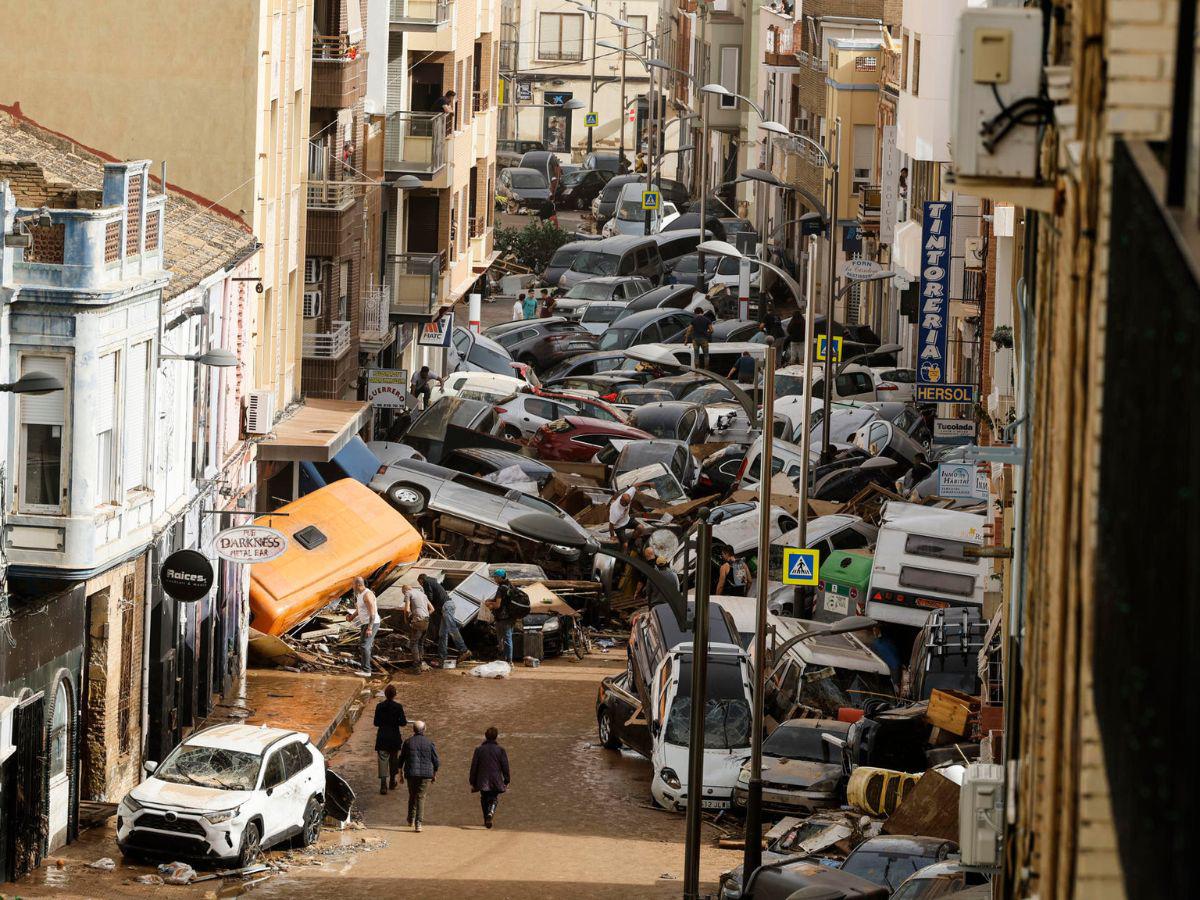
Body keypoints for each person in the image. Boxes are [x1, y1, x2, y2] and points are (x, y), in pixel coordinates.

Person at [420, 573, 472, 666]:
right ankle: (442, 657)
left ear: (421, 580)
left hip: (446, 607)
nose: (420, 585)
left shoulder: (426, 582)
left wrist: (424, 605)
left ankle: (464, 650)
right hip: (448, 605)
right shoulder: (434, 582)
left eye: (420, 583)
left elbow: (429, 597)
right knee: (442, 634)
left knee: (452, 628)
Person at [399, 721, 439, 832]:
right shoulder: (429, 743)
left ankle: (410, 819)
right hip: (426, 775)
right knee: (421, 797)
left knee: (412, 795)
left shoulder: (408, 742)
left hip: (411, 774)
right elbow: (436, 761)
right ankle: (418, 823)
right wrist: (434, 774)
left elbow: (401, 759)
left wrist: (400, 774)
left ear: (413, 730)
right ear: (424, 729)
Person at [469, 726, 511, 828]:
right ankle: (490, 813)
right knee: (494, 798)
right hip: (496, 779)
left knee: (484, 798)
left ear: (485, 736)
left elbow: (474, 766)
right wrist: (507, 779)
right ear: (496, 737)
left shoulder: (479, 750)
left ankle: (485, 818)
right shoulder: (501, 750)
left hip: (482, 779)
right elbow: (505, 766)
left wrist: (472, 781)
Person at [373, 684, 408, 794]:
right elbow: (403, 723)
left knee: (383, 760)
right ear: (395, 695)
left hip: (382, 737)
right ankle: (392, 782)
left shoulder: (379, 706)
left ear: (385, 694)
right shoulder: (398, 707)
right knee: (394, 760)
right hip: (394, 737)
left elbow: (376, 723)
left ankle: (383, 785)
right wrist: (395, 721)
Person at [487, 569, 527, 664]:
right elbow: (506, 600)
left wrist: (489, 604)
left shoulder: (501, 588)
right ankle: (509, 661)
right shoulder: (510, 586)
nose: (494, 579)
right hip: (512, 617)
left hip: (503, 618)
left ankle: (506, 660)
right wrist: (492, 600)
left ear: (500, 578)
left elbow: (497, 605)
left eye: (495, 577)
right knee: (508, 639)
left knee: (502, 639)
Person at [349, 576, 380, 676]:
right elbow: (359, 610)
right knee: (364, 645)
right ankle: (365, 668)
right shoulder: (360, 595)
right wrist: (351, 617)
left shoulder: (367, 594)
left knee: (364, 646)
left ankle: (366, 671)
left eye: (353, 584)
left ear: (358, 584)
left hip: (371, 623)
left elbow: (373, 613)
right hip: (365, 623)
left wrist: (370, 628)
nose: (352, 586)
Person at [402, 583, 433, 669]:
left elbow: (407, 610)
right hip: (426, 621)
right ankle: (421, 661)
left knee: (413, 643)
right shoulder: (422, 594)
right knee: (420, 643)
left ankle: (417, 665)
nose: (404, 595)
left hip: (418, 622)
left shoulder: (408, 593)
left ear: (404, 591)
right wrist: (424, 616)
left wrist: (408, 619)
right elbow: (432, 609)